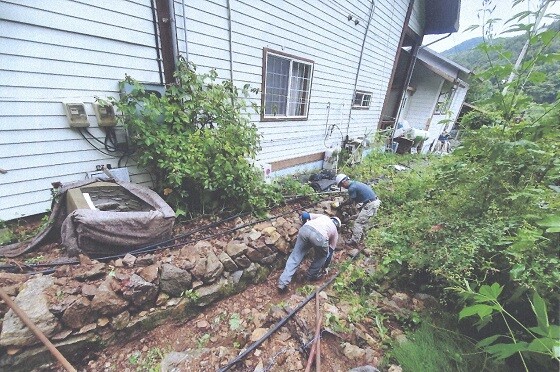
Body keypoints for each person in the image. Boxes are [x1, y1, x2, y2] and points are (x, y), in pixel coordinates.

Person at [277, 213, 341, 293]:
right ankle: (310, 276)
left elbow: (305, 215)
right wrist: (325, 266)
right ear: (338, 227)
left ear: (331, 218)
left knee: (295, 255)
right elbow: (329, 253)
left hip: (306, 229)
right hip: (320, 237)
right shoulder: (335, 233)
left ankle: (282, 283)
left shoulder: (323, 217)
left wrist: (304, 223)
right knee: (322, 256)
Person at [335, 173, 381, 246]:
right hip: (373, 202)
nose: (343, 187)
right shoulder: (355, 183)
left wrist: (341, 205)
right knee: (362, 218)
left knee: (358, 223)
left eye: (342, 185)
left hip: (370, 204)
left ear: (344, 182)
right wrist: (350, 218)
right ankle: (363, 236)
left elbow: (350, 201)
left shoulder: (352, 188)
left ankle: (354, 241)